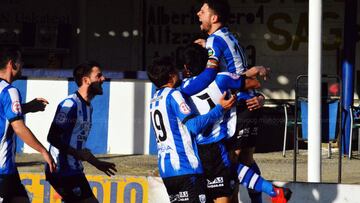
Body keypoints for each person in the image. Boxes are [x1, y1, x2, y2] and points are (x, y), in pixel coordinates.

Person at [195, 1, 291, 202]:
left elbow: (219, 76)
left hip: (240, 106)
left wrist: (187, 88)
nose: (198, 14)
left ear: (214, 18)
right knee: (246, 160)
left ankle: (271, 192)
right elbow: (238, 73)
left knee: (230, 162)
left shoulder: (214, 40)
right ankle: (268, 197)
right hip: (250, 103)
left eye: (202, 11)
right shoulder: (229, 37)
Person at [147, 56, 236, 203]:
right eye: (176, 70)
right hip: (185, 167)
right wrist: (220, 109)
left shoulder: (154, 99)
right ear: (171, 76)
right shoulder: (174, 94)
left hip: (167, 170)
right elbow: (194, 126)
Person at [45, 61, 117, 203]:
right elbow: (52, 137)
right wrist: (77, 154)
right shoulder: (70, 104)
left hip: (74, 170)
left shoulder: (88, 108)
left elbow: (79, 146)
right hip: (62, 170)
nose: (103, 79)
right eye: (99, 76)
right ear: (86, 80)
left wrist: (97, 163)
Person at [0, 45, 56, 203]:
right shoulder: (10, 91)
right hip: (2, 169)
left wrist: (28, 107)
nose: (23, 64)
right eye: (21, 61)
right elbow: (18, 127)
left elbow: (3, 113)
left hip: (9, 170)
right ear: (12, 64)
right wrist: (44, 151)